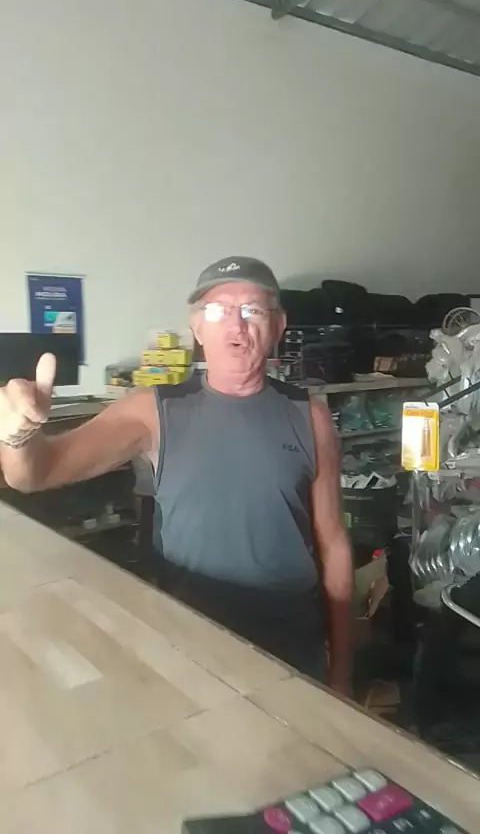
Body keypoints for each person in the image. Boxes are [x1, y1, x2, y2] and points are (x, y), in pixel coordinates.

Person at [0, 257, 353, 693]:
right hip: (192, 645)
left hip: (293, 644)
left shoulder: (310, 417)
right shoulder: (155, 411)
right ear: (197, 328)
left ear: (278, 325)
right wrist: (18, 438)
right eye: (218, 310)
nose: (237, 325)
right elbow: (34, 474)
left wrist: (342, 669)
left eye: (252, 310)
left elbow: (333, 542)